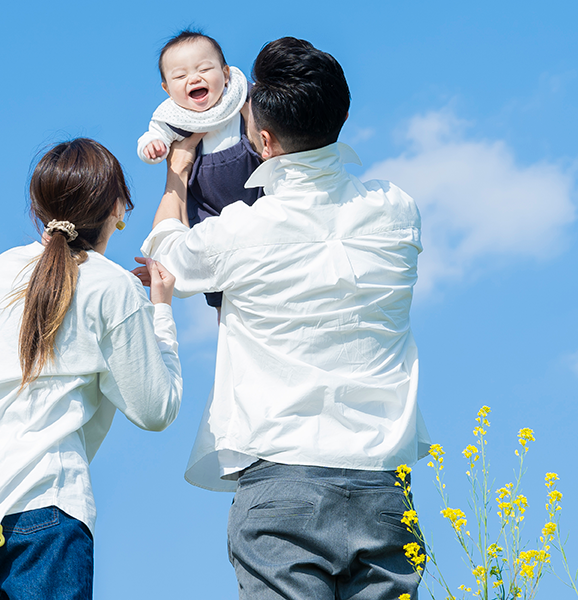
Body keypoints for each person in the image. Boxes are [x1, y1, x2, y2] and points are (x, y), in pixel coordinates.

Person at [139, 37, 431, 599]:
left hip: (282, 475)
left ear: (264, 141)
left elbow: (166, 252)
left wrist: (177, 175)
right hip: (384, 484)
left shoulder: (244, 231)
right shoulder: (398, 210)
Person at [0, 138, 183, 599]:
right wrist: (159, 310)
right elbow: (156, 409)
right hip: (42, 503)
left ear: (39, 210)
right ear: (119, 207)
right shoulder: (112, 287)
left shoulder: (4, 269)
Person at [136, 29, 264, 310]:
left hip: (255, 192)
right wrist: (153, 147)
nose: (194, 78)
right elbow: (151, 136)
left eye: (205, 69)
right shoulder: (173, 119)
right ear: (167, 90)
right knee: (219, 286)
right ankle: (221, 310)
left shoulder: (241, 99)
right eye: (180, 77)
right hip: (208, 209)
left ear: (226, 74)